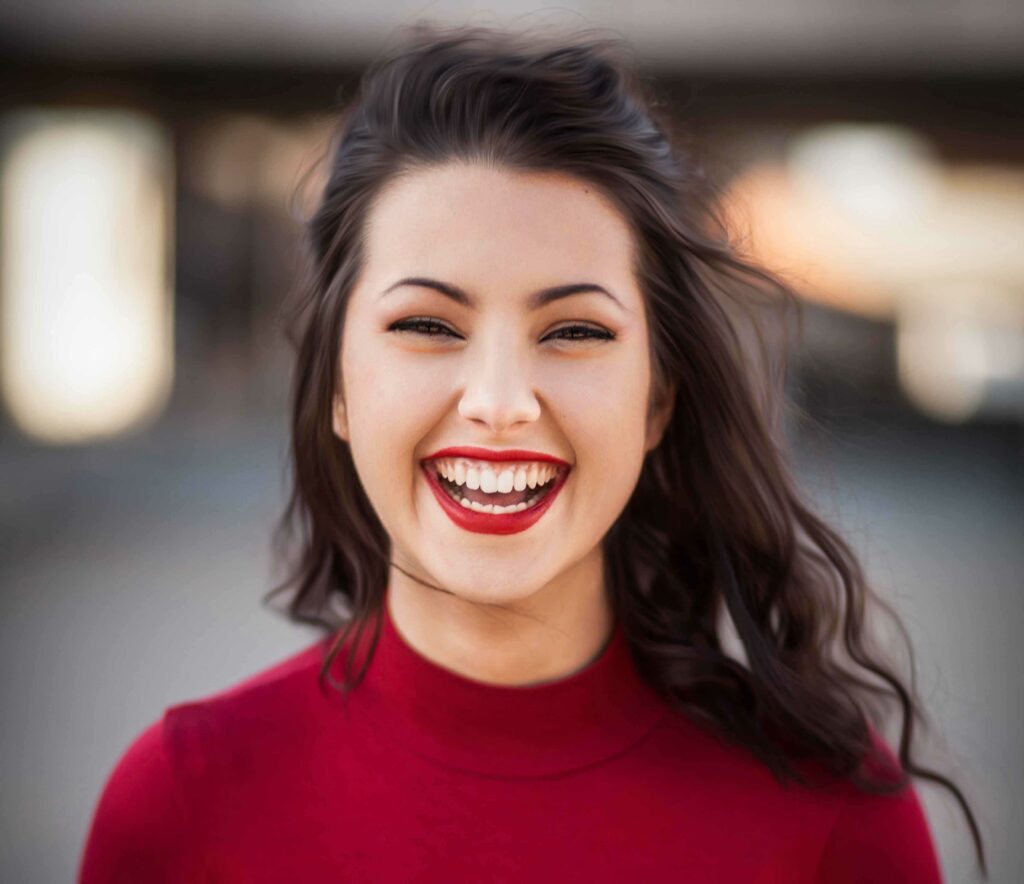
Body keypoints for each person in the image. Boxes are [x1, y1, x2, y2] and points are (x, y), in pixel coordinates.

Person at [78, 23, 986, 883]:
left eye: (576, 331)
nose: (502, 404)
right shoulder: (185, 803)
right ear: (339, 387)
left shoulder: (833, 814)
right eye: (428, 324)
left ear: (658, 399)